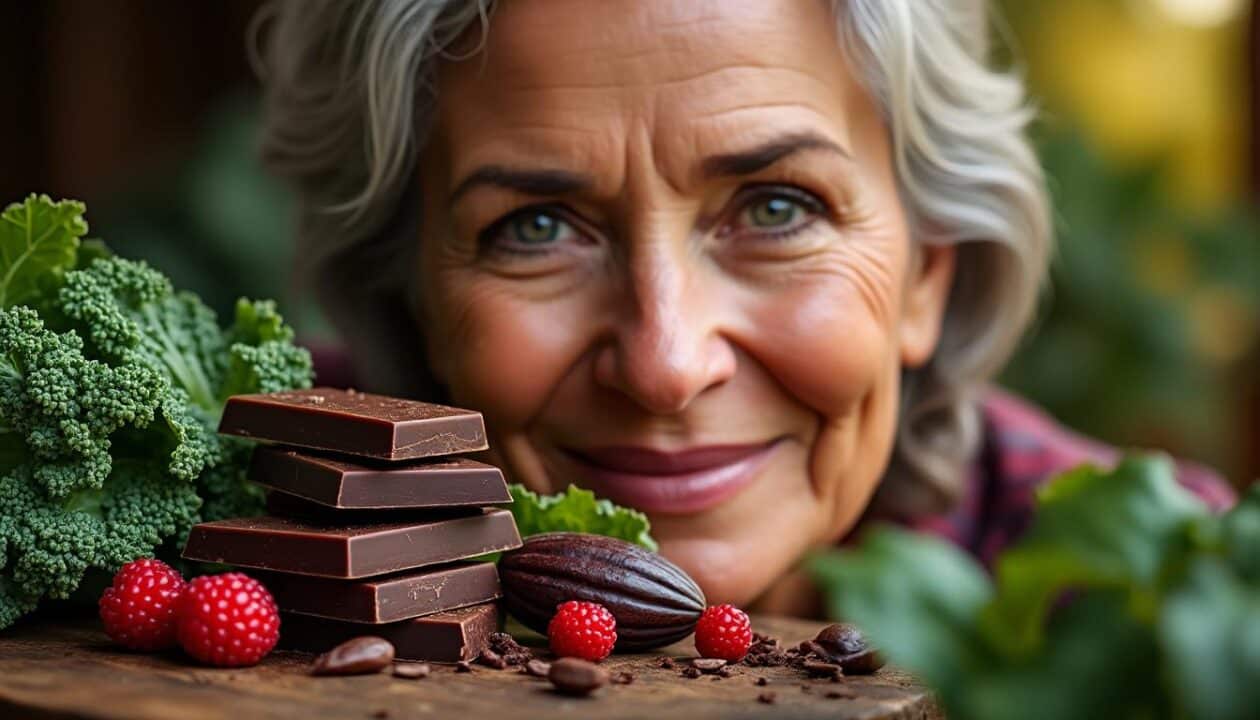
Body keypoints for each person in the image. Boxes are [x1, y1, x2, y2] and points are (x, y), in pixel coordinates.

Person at [253, 0, 1234, 615]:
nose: (667, 364)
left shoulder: (1175, 600)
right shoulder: (245, 510)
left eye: (777, 208)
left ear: (929, 271)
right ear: (410, 283)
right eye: (539, 227)